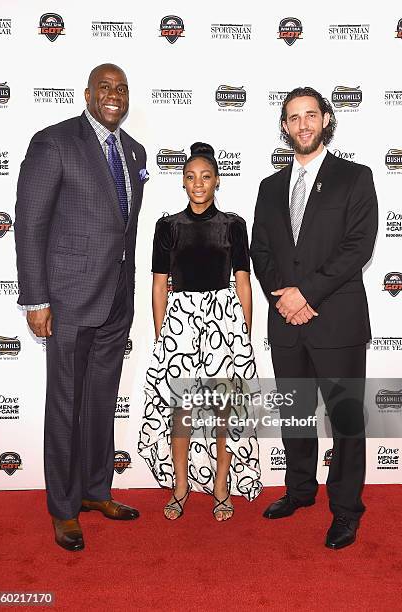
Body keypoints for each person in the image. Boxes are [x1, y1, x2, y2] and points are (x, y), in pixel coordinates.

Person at [14, 63, 147, 551]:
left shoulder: (134, 151)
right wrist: (36, 298)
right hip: (67, 301)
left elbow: (123, 230)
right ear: (88, 94)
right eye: (105, 88)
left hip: (116, 301)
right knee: (66, 404)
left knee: (100, 404)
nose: (114, 96)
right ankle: (64, 509)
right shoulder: (55, 142)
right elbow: (29, 224)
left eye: (122, 89)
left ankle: (95, 492)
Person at [250, 87, 378, 549]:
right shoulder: (268, 187)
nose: (302, 124)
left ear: (326, 119)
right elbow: (259, 252)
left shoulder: (355, 178)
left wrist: (307, 293)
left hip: (336, 322)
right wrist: (282, 298)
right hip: (286, 323)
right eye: (293, 117)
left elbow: (357, 248)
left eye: (310, 115)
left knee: (345, 421)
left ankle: (345, 509)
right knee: (297, 416)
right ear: (284, 126)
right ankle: (300, 490)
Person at [138, 142, 262, 521]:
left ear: (217, 181)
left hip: (224, 320)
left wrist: (243, 335)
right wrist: (163, 338)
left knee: (224, 410)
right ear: (182, 182)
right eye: (190, 177)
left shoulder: (234, 226)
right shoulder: (167, 227)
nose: (198, 183)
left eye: (205, 176)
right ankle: (180, 485)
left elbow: (243, 283)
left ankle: (222, 487)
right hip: (180, 322)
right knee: (182, 410)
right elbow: (160, 285)